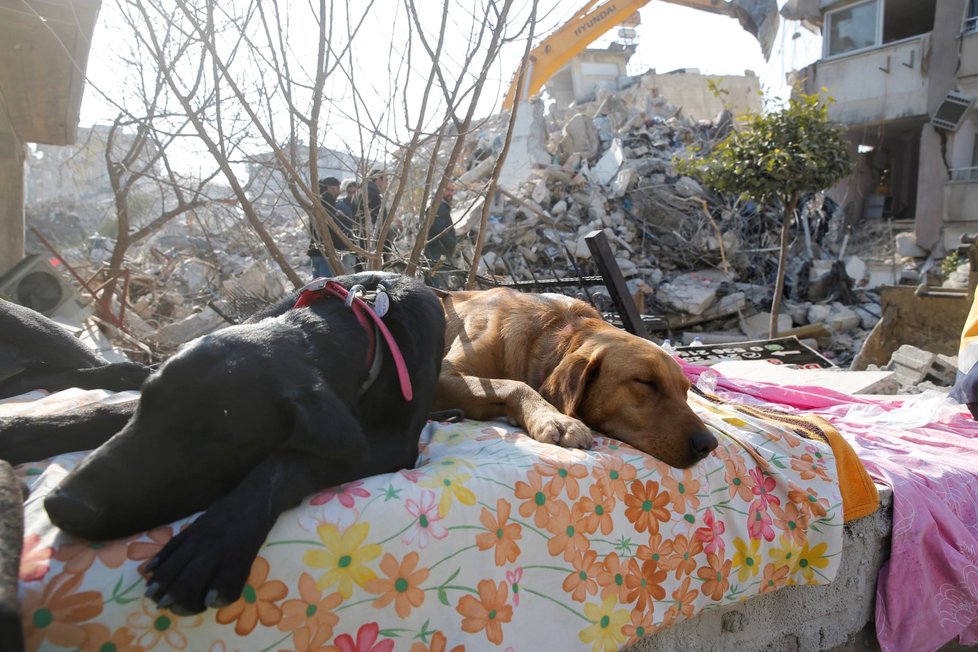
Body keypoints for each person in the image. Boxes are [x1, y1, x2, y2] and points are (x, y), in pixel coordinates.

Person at [308, 176, 355, 278]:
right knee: (326, 286)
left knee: (316, 286)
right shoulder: (327, 201)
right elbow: (333, 227)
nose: (338, 192)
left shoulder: (316, 202)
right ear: (329, 189)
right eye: (336, 188)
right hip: (326, 253)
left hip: (315, 251)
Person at [425, 181, 458, 265]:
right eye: (447, 190)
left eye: (452, 190)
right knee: (437, 276)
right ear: (440, 189)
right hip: (437, 252)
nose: (450, 193)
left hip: (438, 252)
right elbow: (439, 230)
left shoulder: (439, 204)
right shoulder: (438, 205)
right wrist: (451, 243)